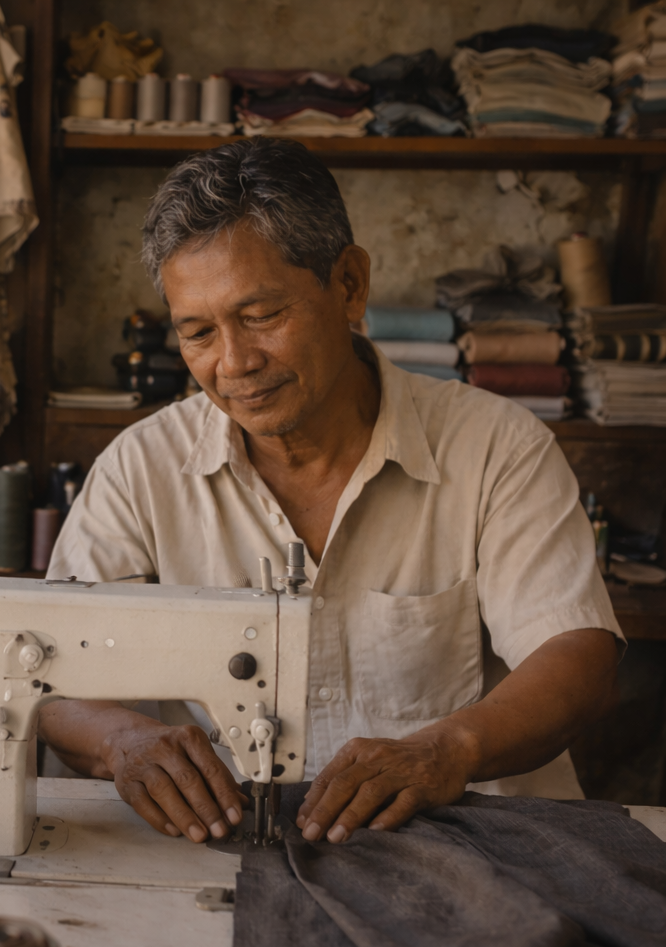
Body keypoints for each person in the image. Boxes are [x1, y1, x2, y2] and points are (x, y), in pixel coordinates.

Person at [39, 138, 621, 847]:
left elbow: (577, 654)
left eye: (261, 317)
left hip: (468, 847)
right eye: (197, 333)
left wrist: (449, 750)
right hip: (232, 849)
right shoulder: (142, 469)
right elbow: (54, 675)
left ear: (349, 284)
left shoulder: (497, 447)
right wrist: (122, 742)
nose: (234, 363)